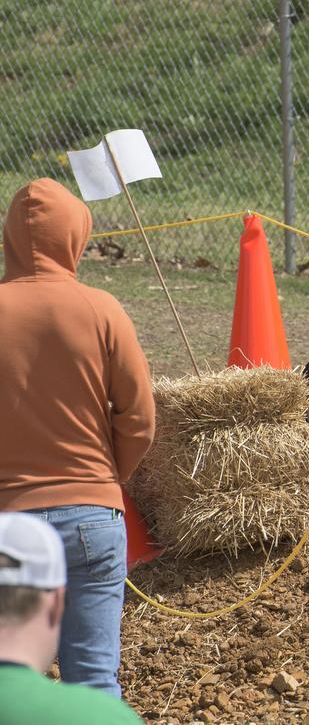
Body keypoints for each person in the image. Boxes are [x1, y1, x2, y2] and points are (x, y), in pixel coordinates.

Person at [0, 179, 155, 698]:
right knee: (94, 685)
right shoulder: (102, 308)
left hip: (9, 525)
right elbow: (139, 418)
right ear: (76, 238)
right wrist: (106, 481)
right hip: (92, 518)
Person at [0, 513, 143, 723]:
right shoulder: (110, 716)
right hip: (91, 514)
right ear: (58, 603)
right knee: (95, 681)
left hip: (11, 502)